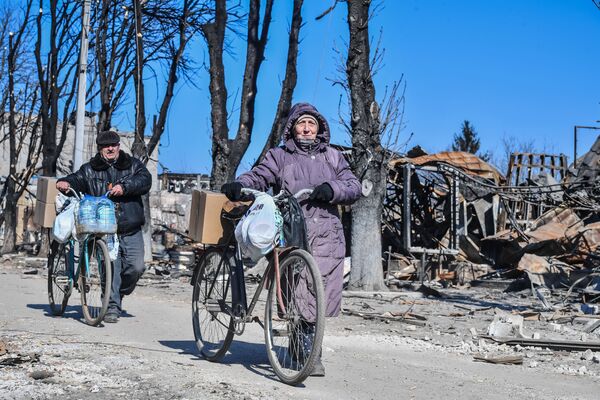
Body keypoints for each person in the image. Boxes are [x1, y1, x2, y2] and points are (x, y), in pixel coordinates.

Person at [221, 102, 361, 376]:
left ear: (320, 128)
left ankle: (308, 353)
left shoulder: (333, 157)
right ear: (293, 128)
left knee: (316, 293)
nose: (307, 128)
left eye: (312, 123)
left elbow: (353, 185)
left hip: (326, 234)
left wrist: (329, 189)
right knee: (297, 291)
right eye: (302, 123)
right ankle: (305, 353)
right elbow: (260, 175)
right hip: (291, 228)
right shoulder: (280, 156)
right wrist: (241, 184)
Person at [56, 130, 152, 323]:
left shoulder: (133, 165)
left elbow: (145, 180)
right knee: (111, 268)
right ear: (100, 149)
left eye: (114, 145)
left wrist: (125, 187)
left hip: (130, 226)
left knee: (136, 267)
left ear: (118, 146)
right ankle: (111, 306)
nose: (110, 148)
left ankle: (117, 291)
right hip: (105, 229)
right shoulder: (90, 169)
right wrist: (66, 183)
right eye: (106, 146)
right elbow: (77, 179)